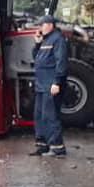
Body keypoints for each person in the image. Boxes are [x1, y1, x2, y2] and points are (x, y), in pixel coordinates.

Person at [30, 15, 68, 157]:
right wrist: (37, 44)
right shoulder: (45, 40)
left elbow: (61, 62)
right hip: (41, 85)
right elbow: (36, 58)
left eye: (42, 25)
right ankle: (42, 145)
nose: (39, 28)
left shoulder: (58, 39)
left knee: (50, 116)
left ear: (50, 25)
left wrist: (57, 82)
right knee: (39, 116)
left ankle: (57, 148)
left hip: (51, 85)